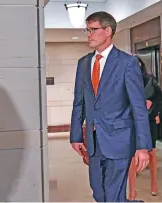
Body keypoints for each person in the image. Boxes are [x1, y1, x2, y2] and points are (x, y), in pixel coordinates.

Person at [70, 11, 152, 202]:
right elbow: (78, 102)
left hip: (120, 139)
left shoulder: (127, 63)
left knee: (113, 195)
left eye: (93, 29)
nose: (88, 34)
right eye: (87, 30)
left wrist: (142, 147)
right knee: (100, 194)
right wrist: (75, 135)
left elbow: (138, 107)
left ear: (108, 31)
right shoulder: (83, 64)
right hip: (93, 140)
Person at [128, 55, 161, 200]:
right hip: (131, 121)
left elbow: (159, 98)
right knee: (132, 155)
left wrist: (153, 108)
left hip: (148, 120)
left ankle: (154, 184)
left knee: (152, 153)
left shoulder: (150, 80)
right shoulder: (125, 79)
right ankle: (132, 191)